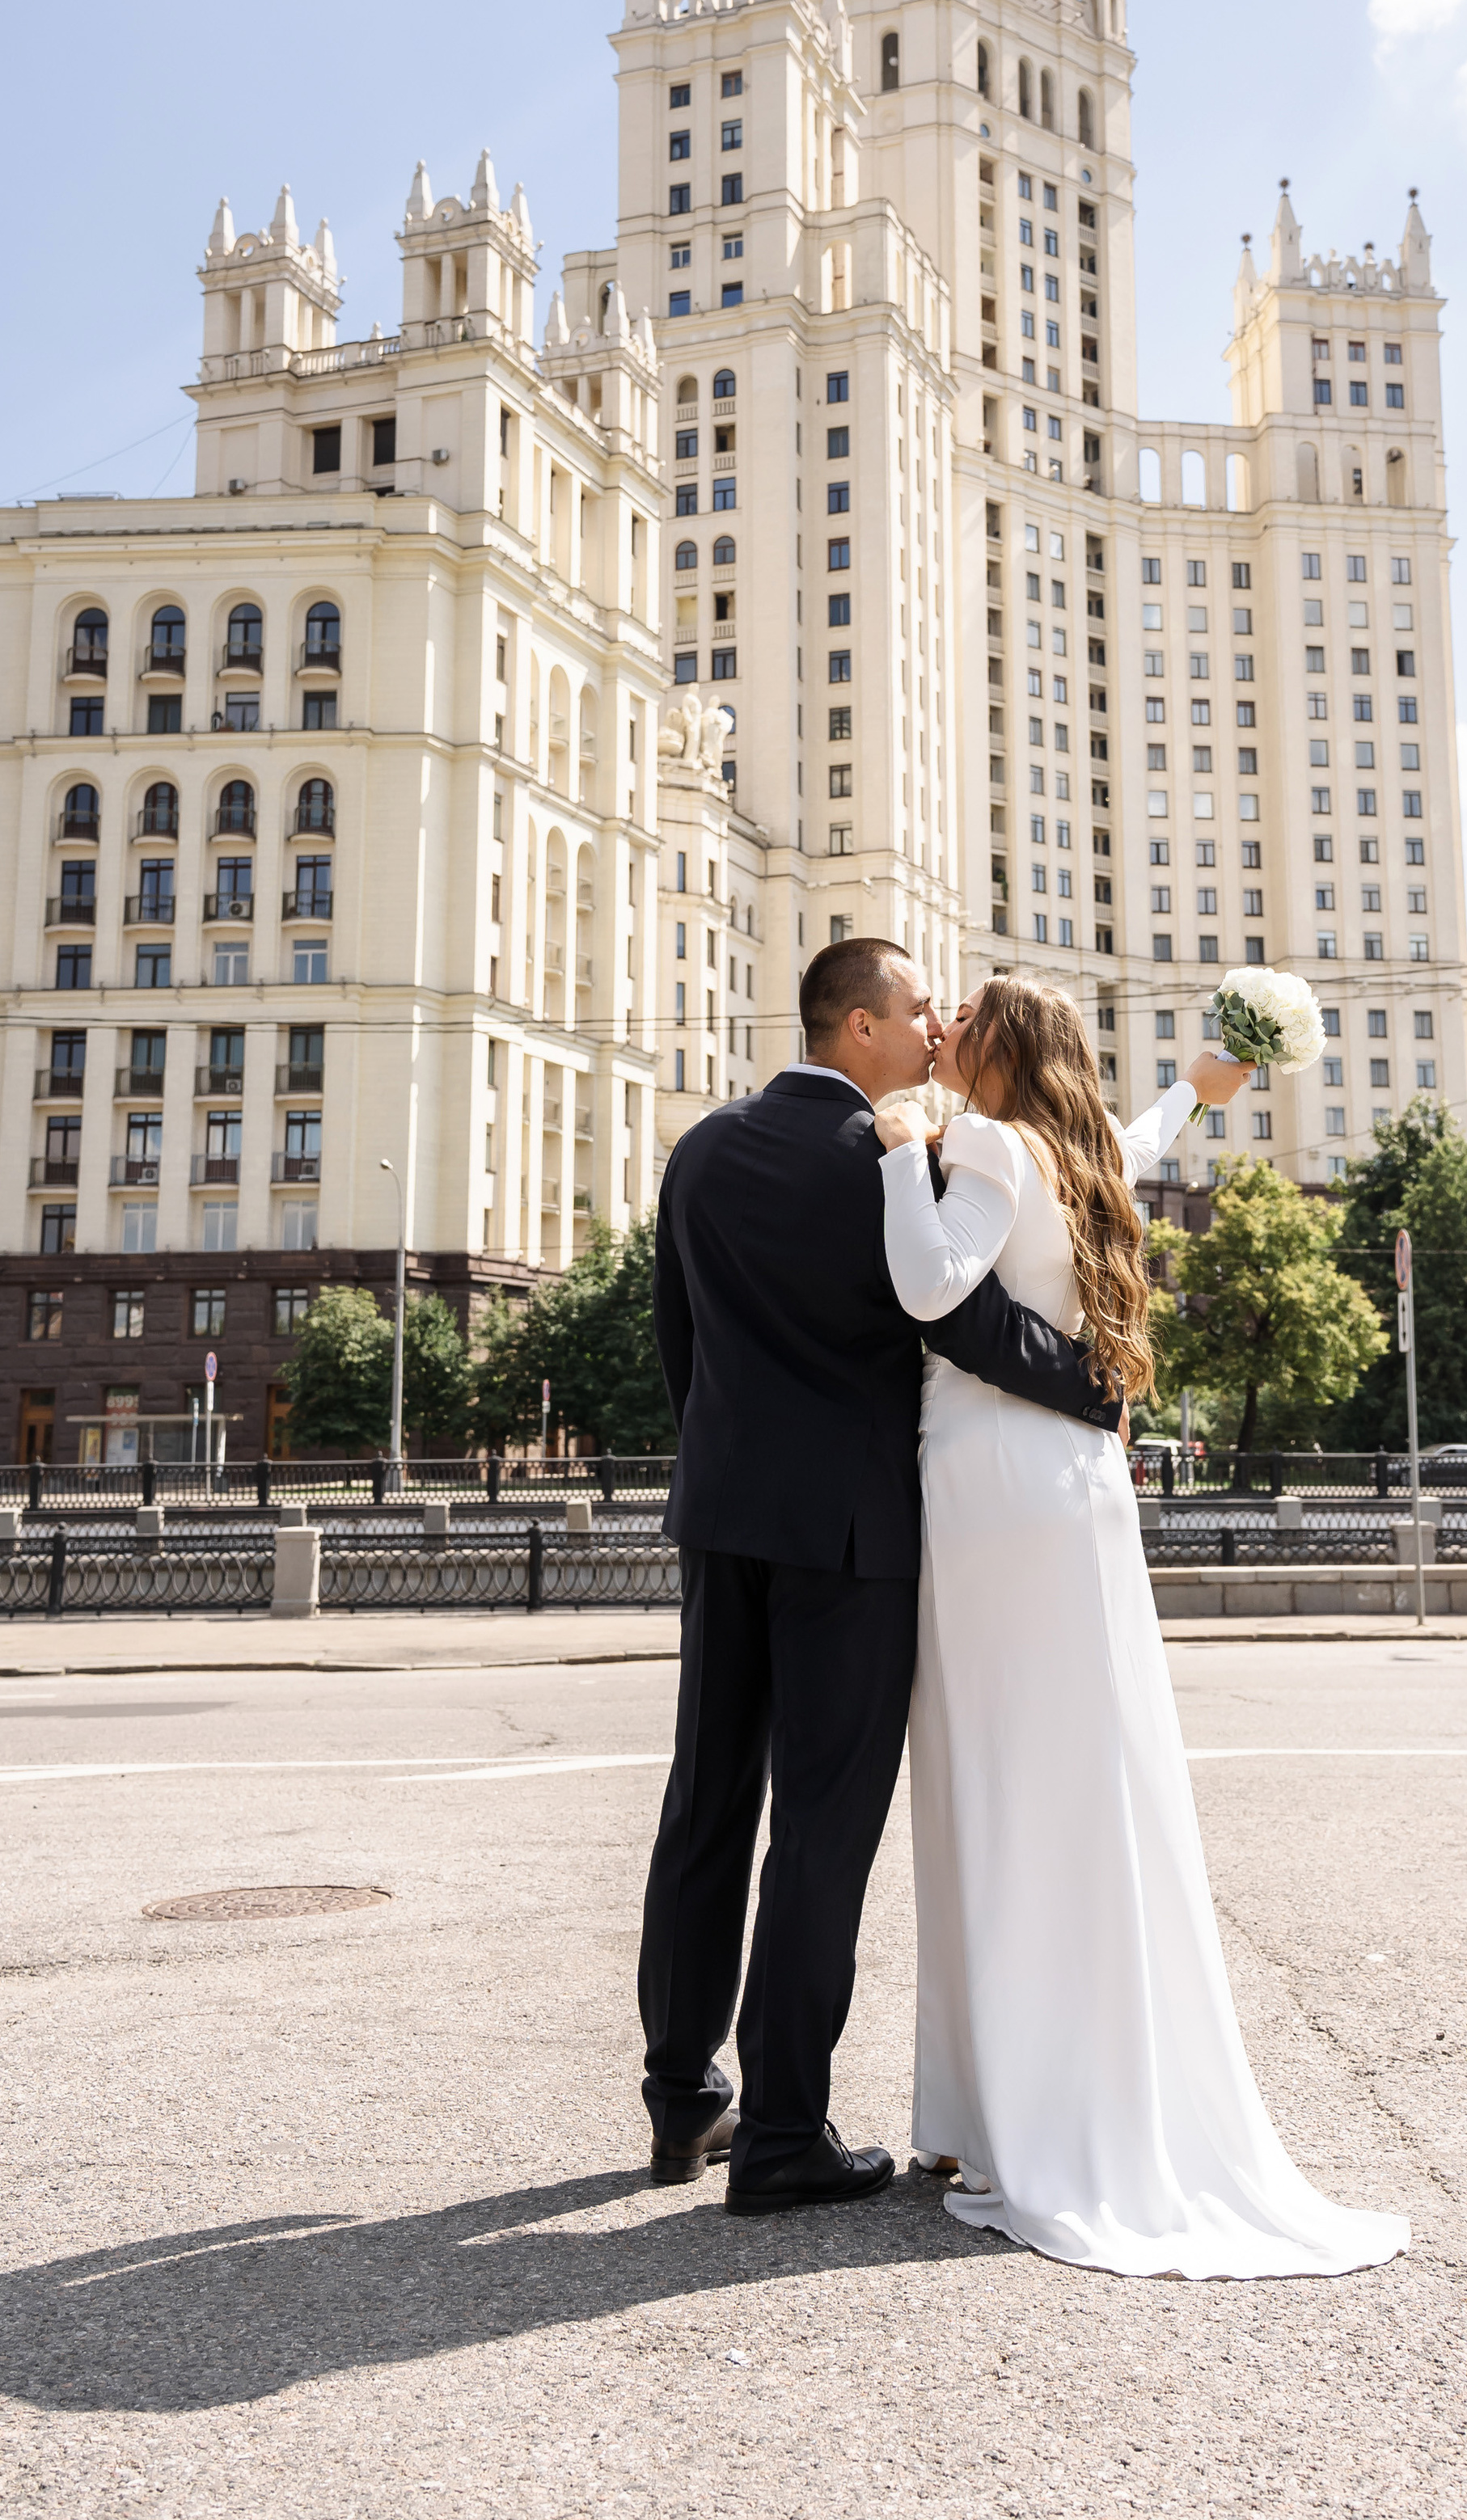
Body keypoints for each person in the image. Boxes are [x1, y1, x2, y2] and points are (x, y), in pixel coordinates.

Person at [874, 974, 1410, 2280]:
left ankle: (996, 2117)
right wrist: (1208, 1078)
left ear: (998, 1049)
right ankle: (1028, 2099)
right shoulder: (1087, 1152)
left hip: (991, 1483)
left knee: (989, 1787)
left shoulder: (990, 1145)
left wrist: (902, 1157)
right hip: (1078, 1490)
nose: (942, 1037)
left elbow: (934, 1290)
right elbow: (1157, 1130)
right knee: (1083, 1780)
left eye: (962, 1024)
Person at [639, 938, 1122, 2213]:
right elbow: (957, 1318)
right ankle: (786, 2130)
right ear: (858, 1027)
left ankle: (683, 2095)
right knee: (821, 1829)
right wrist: (1096, 1385)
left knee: (706, 1801)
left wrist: (722, 1476)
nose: (934, 1033)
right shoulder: (896, 1159)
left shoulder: (697, 1152)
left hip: (722, 1516)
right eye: (917, 1013)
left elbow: (677, 1345)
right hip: (851, 1540)